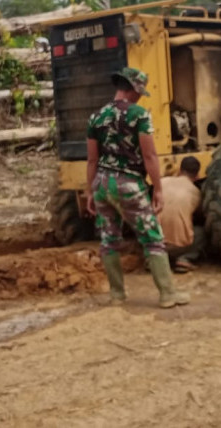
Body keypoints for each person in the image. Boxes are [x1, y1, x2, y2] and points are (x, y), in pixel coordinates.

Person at [86, 67, 189, 308]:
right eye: (140, 91)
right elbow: (150, 155)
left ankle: (117, 295)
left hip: (101, 183)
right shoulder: (140, 115)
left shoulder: (96, 117)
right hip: (128, 184)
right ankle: (167, 294)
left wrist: (89, 191)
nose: (141, 96)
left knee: (109, 240)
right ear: (134, 89)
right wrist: (159, 188)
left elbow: (92, 159)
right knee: (152, 238)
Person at [158, 156, 204, 273]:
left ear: (179, 170)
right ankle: (185, 259)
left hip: (154, 244)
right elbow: (199, 215)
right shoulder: (196, 192)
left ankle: (153, 260)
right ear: (197, 175)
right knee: (200, 233)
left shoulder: (162, 183)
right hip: (178, 247)